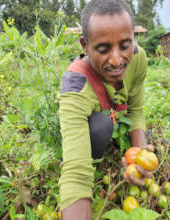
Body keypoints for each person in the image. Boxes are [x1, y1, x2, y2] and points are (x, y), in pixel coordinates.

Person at [58, 0, 154, 219]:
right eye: (103, 49)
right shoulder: (75, 87)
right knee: (99, 127)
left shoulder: (138, 59)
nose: (117, 60)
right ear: (85, 46)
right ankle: (98, 163)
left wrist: (138, 155)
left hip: (117, 119)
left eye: (125, 45)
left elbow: (135, 110)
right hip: (95, 127)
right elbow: (75, 173)